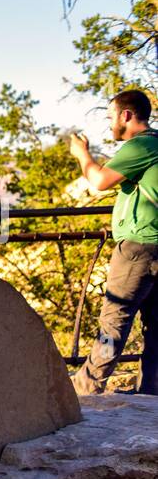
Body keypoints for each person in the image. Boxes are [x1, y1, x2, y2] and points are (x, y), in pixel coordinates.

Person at [69, 88, 158, 395]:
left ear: (127, 115)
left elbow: (98, 182)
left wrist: (82, 154)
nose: (110, 125)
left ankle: (86, 388)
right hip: (154, 247)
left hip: (138, 249)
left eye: (110, 117)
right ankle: (150, 395)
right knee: (155, 327)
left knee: (113, 322)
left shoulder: (142, 145)